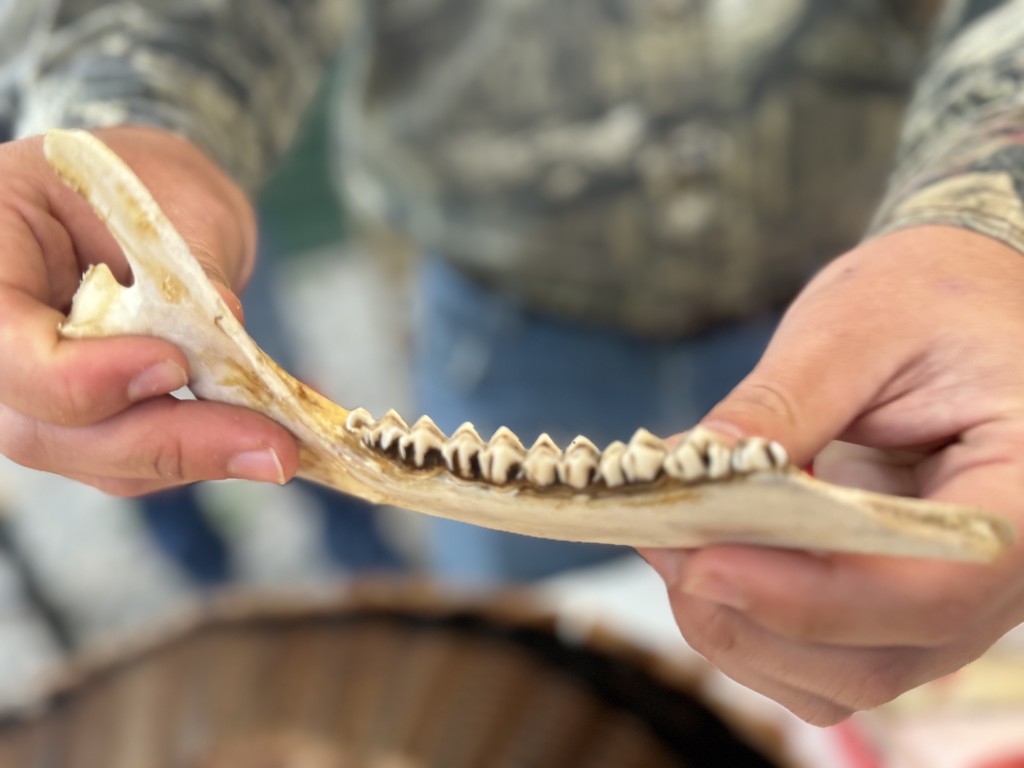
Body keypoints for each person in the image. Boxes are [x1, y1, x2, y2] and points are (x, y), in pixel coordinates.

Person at [1, 0, 1023, 725]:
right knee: (523, 698)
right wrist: (133, 108)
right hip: (504, 328)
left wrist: (994, 212)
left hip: (903, 345)